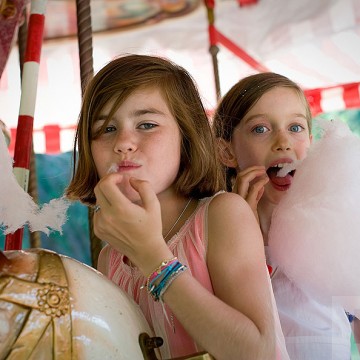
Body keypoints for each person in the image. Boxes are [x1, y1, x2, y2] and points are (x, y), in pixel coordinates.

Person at [65, 54, 288, 359]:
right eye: (106, 129)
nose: (123, 142)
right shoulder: (111, 257)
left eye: (146, 124)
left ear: (186, 135)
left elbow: (255, 352)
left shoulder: (223, 215)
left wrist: (153, 257)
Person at [212, 71, 360, 359]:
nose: (283, 142)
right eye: (260, 129)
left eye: (295, 127)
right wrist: (241, 227)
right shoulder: (213, 228)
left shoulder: (333, 220)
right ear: (226, 151)